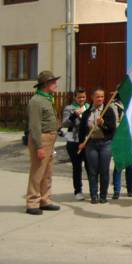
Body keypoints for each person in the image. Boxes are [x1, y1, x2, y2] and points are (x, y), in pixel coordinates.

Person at [25, 70, 62, 215]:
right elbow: (34, 126)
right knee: (38, 171)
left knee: (47, 171)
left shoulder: (47, 98)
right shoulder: (36, 101)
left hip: (50, 138)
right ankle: (32, 202)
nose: (56, 84)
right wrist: (39, 146)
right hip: (41, 138)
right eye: (53, 82)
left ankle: (45, 200)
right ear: (45, 84)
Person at [79, 88, 118, 204]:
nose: (100, 99)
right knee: (92, 170)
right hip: (91, 144)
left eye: (102, 97)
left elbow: (112, 129)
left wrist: (103, 124)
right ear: (92, 98)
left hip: (105, 143)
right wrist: (81, 142)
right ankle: (93, 195)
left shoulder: (108, 111)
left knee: (104, 170)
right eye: (97, 97)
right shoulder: (87, 113)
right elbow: (82, 130)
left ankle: (103, 195)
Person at [62, 87, 89, 201]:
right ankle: (78, 191)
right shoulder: (69, 108)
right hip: (74, 141)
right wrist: (74, 115)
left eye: (83, 97)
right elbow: (64, 123)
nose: (81, 99)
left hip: (87, 141)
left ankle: (93, 189)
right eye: (79, 97)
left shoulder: (88, 107)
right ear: (75, 97)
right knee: (77, 167)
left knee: (90, 166)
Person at [111, 97, 132, 199]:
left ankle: (130, 189)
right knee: (118, 165)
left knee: (129, 165)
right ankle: (116, 190)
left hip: (128, 138)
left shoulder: (130, 105)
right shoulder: (113, 106)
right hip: (118, 137)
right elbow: (113, 122)